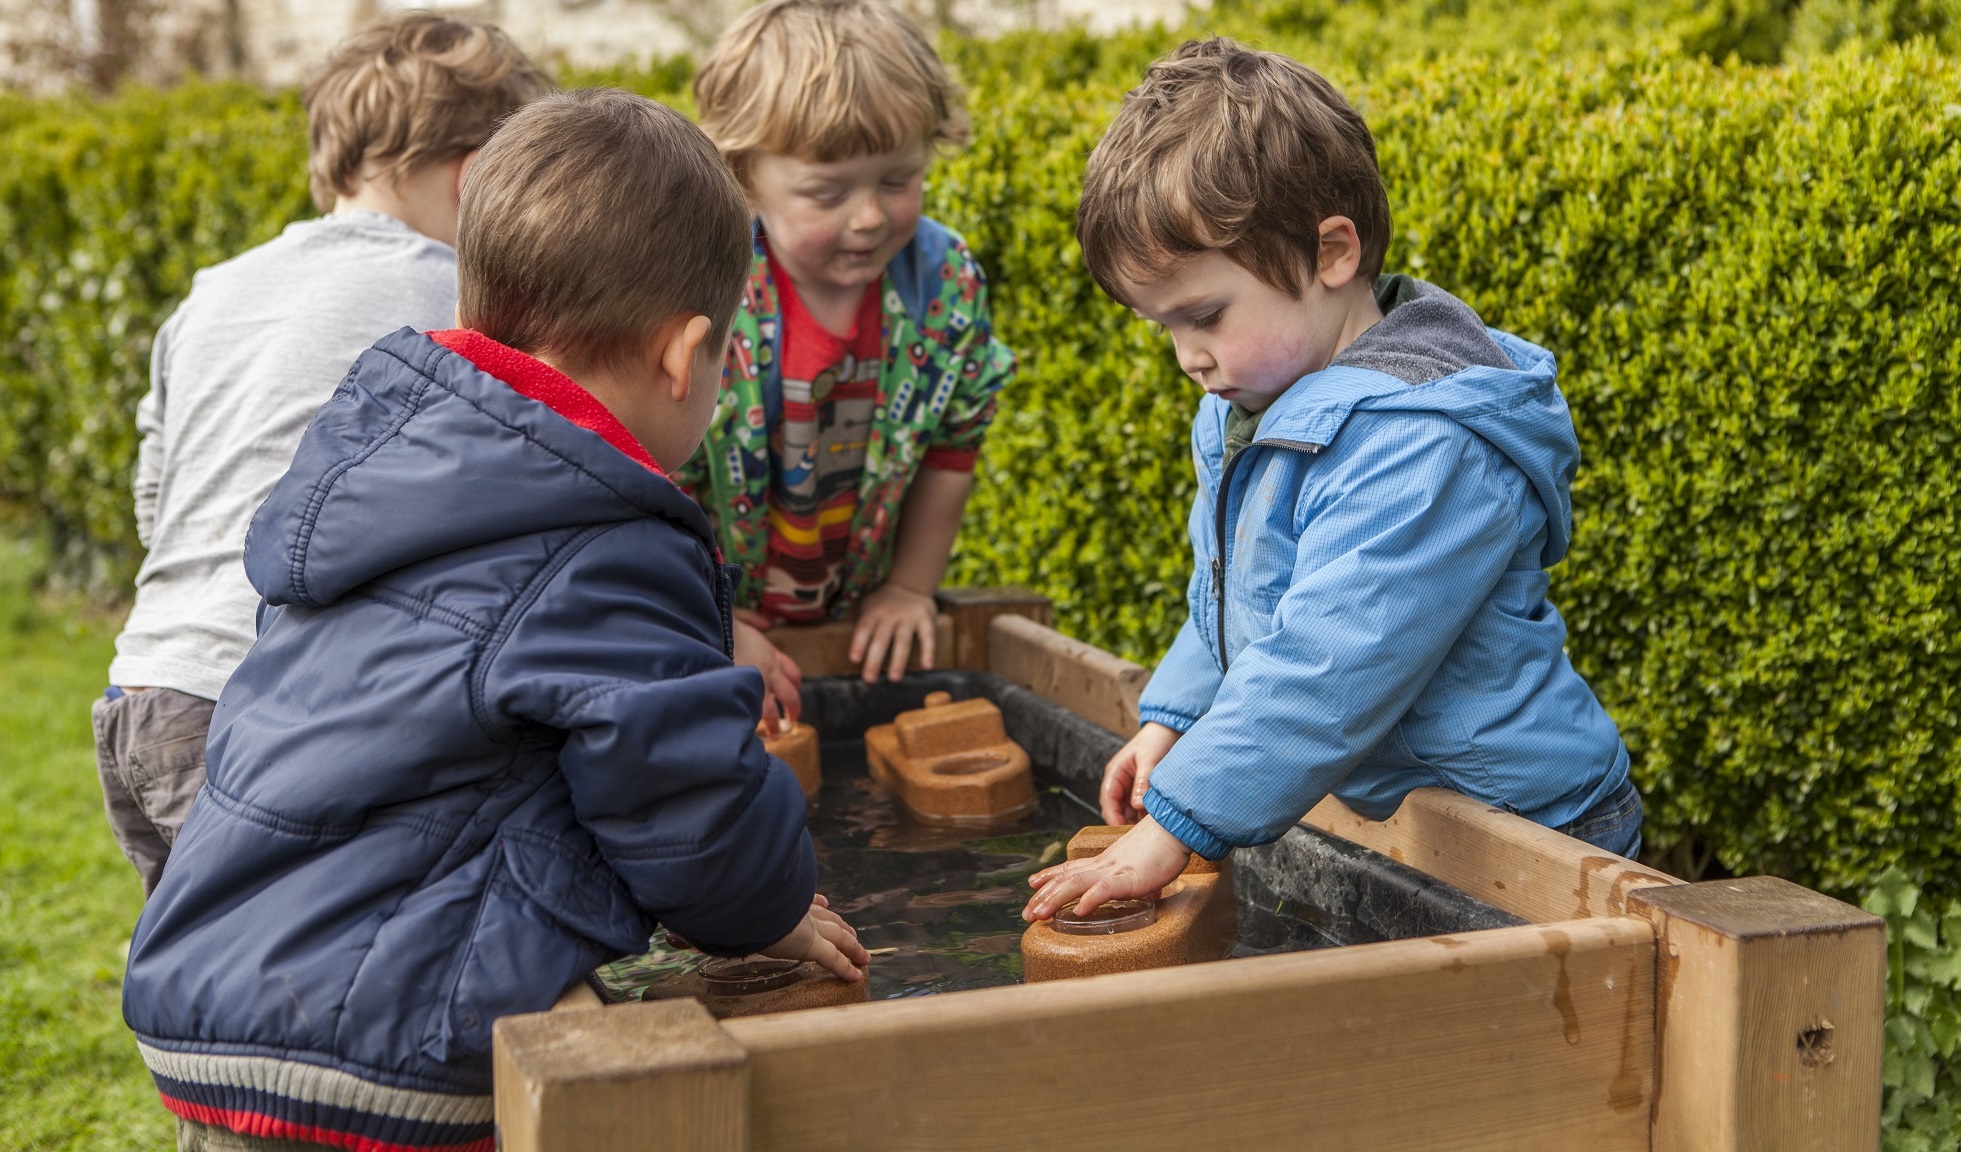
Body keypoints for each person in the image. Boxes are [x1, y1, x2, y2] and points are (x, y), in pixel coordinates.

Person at [122, 89, 869, 1152]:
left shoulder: (385, 461)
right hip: (390, 1041)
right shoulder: (606, 528)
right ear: (683, 353)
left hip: (217, 998)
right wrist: (768, 906)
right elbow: (677, 783)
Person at [1023, 39, 1642, 925]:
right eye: (1161, 327)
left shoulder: (1423, 446)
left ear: (1333, 253)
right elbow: (1233, 597)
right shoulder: (1254, 403)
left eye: (1203, 315)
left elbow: (1324, 667)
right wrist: (1173, 726)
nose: (1188, 358)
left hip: (1535, 833)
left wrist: (1175, 827)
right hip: (1419, 827)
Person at [94, 12, 550, 895]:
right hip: (266, 706)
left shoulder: (212, 292)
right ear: (480, 183)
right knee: (329, 965)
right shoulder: (448, 296)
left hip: (143, 691)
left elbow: (155, 501)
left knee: (210, 977)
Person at [685, 0, 1016, 717]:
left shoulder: (943, 285)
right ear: (744, 175)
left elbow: (952, 448)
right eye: (828, 192)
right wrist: (709, 615)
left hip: (853, 607)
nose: (868, 216)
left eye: (896, 180)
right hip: (704, 620)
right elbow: (649, 476)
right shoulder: (704, 288)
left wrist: (909, 589)